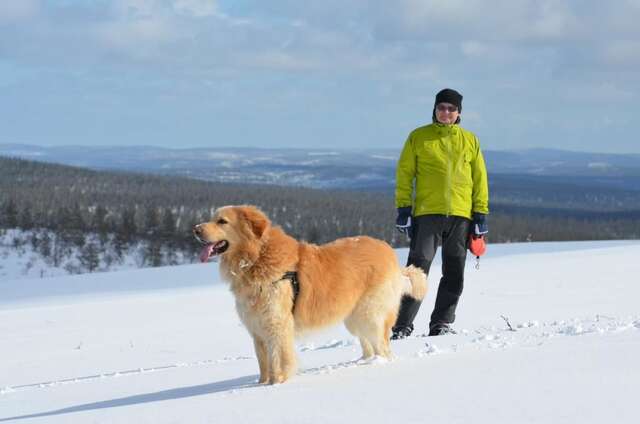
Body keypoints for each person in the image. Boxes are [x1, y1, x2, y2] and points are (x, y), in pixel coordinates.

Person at [392, 88, 489, 338]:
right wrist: (404, 208)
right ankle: (401, 326)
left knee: (454, 271)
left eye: (451, 108)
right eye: (441, 107)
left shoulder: (470, 140)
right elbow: (405, 174)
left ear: (459, 113)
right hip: (428, 213)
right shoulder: (419, 137)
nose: (446, 112)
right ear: (434, 110)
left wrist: (480, 214)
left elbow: (480, 179)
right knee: (417, 270)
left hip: (461, 214)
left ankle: (441, 323)